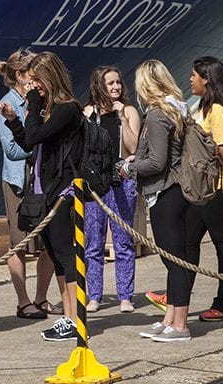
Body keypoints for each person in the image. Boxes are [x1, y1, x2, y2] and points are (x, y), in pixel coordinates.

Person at [0, 51, 83, 342]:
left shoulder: (66, 109)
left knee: (64, 254)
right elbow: (30, 143)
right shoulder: (51, 110)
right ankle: (68, 316)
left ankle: (76, 317)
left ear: (49, 77)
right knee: (58, 257)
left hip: (63, 193)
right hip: (46, 192)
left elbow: (35, 137)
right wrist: (13, 122)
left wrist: (32, 104)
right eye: (30, 80)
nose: (33, 86)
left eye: (37, 80)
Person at [124, 60, 192, 342]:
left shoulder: (156, 115)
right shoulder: (179, 107)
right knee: (174, 257)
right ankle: (170, 318)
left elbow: (157, 162)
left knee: (174, 259)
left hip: (166, 191)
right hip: (179, 190)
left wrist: (129, 168)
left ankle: (180, 326)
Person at [0, 48, 58, 320]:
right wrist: (39, 143)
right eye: (32, 71)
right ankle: (23, 301)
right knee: (19, 244)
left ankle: (41, 297)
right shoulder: (5, 107)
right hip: (19, 182)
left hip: (45, 180)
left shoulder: (43, 100)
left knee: (51, 241)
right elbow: (11, 149)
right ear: (20, 76)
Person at [184, 56, 223, 322]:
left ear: (206, 78)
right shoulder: (205, 106)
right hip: (208, 187)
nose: (190, 79)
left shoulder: (220, 110)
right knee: (187, 240)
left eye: (193, 76)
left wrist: (196, 145)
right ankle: (178, 296)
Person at [82, 66, 141, 313]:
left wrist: (123, 120)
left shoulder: (128, 111)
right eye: (110, 83)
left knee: (123, 240)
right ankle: (94, 294)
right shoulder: (88, 113)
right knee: (93, 241)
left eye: (118, 82)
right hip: (95, 179)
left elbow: (133, 146)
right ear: (99, 86)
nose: (116, 87)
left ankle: (125, 296)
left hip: (120, 176)